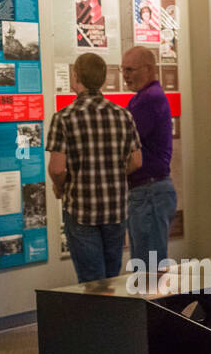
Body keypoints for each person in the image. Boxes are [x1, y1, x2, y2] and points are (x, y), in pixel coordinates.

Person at [47, 52, 141, 283]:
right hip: (115, 210)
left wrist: (60, 188)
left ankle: (97, 320)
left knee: (91, 283)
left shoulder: (64, 117)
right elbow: (137, 161)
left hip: (81, 209)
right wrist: (114, 173)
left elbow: (57, 169)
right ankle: (114, 319)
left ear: (76, 75)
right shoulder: (123, 115)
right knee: (111, 280)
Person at [121, 46, 176, 271]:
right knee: (146, 266)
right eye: (123, 70)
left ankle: (153, 307)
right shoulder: (146, 98)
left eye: (130, 69)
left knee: (148, 270)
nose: (125, 75)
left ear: (149, 69)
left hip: (148, 193)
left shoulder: (148, 100)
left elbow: (125, 144)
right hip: (149, 192)